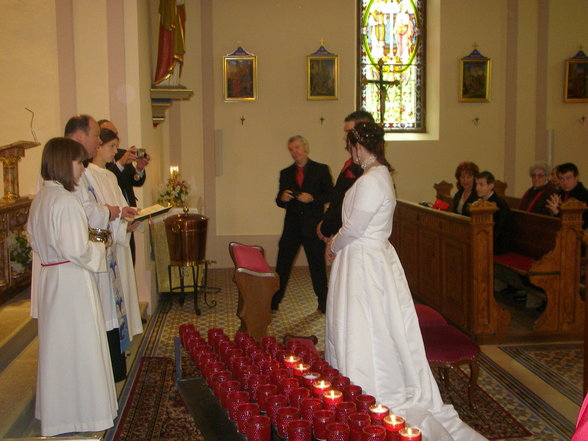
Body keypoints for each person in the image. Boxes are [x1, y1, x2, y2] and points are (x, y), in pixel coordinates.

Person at [324, 122, 486, 441]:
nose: (350, 152)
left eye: (350, 146)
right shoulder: (379, 175)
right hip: (366, 259)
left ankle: (367, 386)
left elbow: (355, 227)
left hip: (363, 262)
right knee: (368, 323)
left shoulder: (373, 180)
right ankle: (353, 381)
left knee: (364, 325)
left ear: (359, 146)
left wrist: (333, 245)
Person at [27, 137, 117, 436]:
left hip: (53, 280)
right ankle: (84, 415)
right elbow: (76, 249)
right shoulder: (65, 202)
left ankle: (60, 414)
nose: (82, 168)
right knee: (79, 348)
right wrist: (100, 247)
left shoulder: (41, 198)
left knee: (59, 350)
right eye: (79, 162)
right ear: (66, 163)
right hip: (71, 282)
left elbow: (36, 241)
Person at [65, 115, 138, 381]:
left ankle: (111, 371)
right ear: (80, 136)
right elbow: (84, 213)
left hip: (99, 250)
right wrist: (112, 214)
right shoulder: (74, 177)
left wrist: (117, 218)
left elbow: (92, 210)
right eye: (96, 135)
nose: (98, 141)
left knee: (108, 314)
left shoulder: (82, 172)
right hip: (81, 260)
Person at [87, 128, 143, 342]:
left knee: (125, 296)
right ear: (98, 147)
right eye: (111, 146)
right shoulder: (88, 176)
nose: (114, 151)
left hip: (120, 241)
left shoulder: (110, 176)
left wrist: (130, 220)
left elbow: (121, 205)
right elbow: (98, 213)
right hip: (110, 245)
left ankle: (124, 337)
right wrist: (121, 224)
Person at [273, 135, 333, 313]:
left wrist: (312, 198)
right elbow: (279, 200)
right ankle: (274, 302)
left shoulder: (321, 169)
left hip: (313, 227)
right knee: (282, 266)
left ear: (305, 148)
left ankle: (323, 303)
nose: (295, 152)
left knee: (317, 267)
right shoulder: (285, 173)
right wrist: (282, 199)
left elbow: (331, 194)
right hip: (291, 227)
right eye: (291, 149)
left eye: (297, 147)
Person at [317, 110, 374, 242]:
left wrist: (326, 227)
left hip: (353, 239)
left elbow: (349, 208)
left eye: (348, 132)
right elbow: (336, 197)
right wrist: (325, 223)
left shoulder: (367, 170)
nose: (344, 137)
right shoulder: (351, 164)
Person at [99, 119, 150, 263]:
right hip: (114, 219)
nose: (115, 148)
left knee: (130, 259)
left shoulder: (122, 153)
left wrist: (139, 168)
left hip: (129, 215)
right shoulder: (95, 160)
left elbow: (136, 180)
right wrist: (121, 163)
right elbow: (107, 179)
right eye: (110, 135)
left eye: (115, 134)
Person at [475, 171, 510, 254]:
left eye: (481, 184)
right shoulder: (481, 201)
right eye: (476, 184)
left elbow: (499, 229)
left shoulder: (498, 204)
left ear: (491, 186)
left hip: (498, 245)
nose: (477, 188)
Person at [546, 162, 588, 228]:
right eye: (561, 179)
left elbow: (579, 224)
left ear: (577, 178)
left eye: (568, 178)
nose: (565, 182)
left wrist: (557, 212)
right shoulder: (559, 194)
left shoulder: (584, 196)